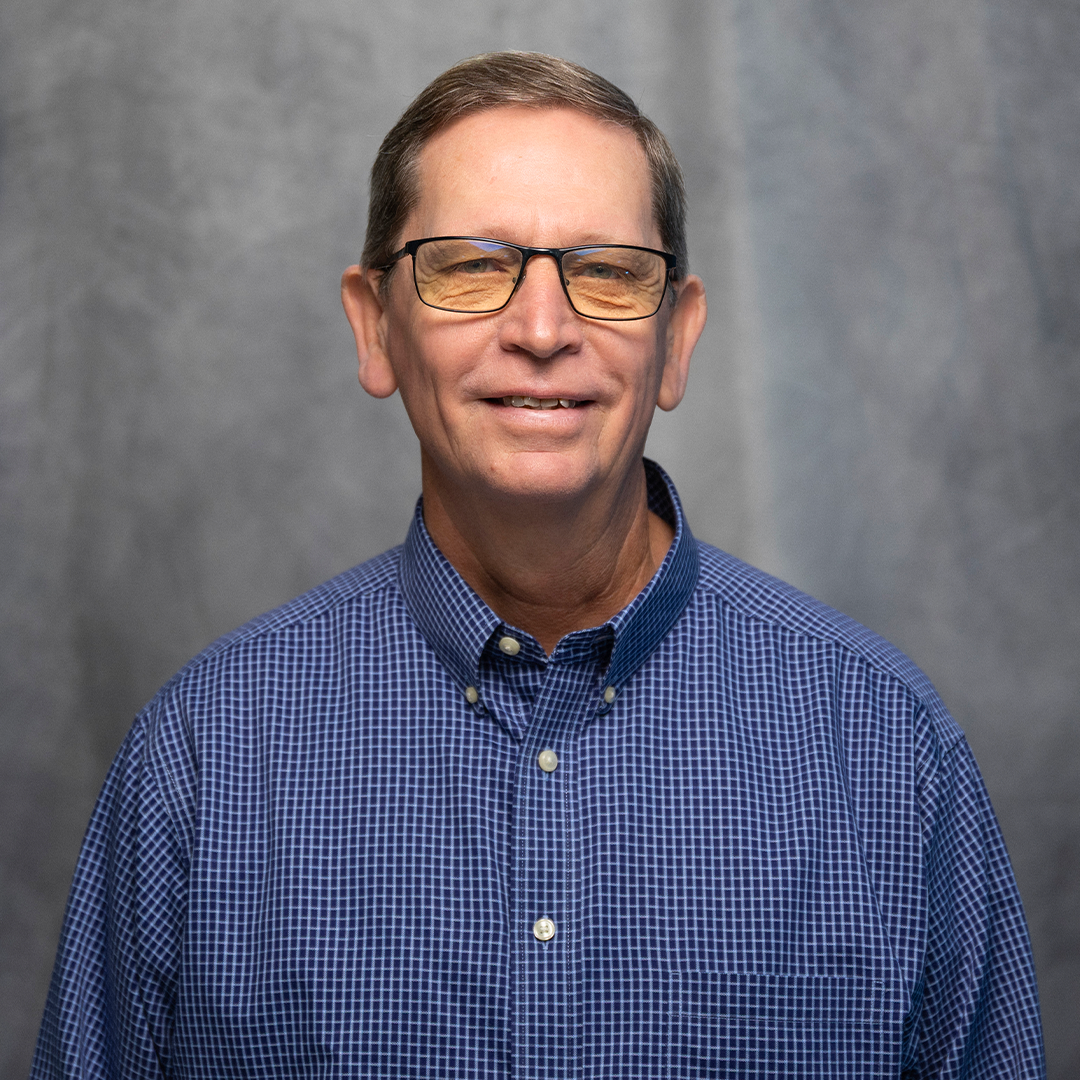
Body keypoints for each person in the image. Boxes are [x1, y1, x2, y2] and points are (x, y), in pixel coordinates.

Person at [32, 51, 1044, 1079]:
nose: (543, 329)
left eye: (605, 272)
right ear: (375, 326)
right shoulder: (205, 757)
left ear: (677, 339)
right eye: (470, 265)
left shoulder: (882, 747)